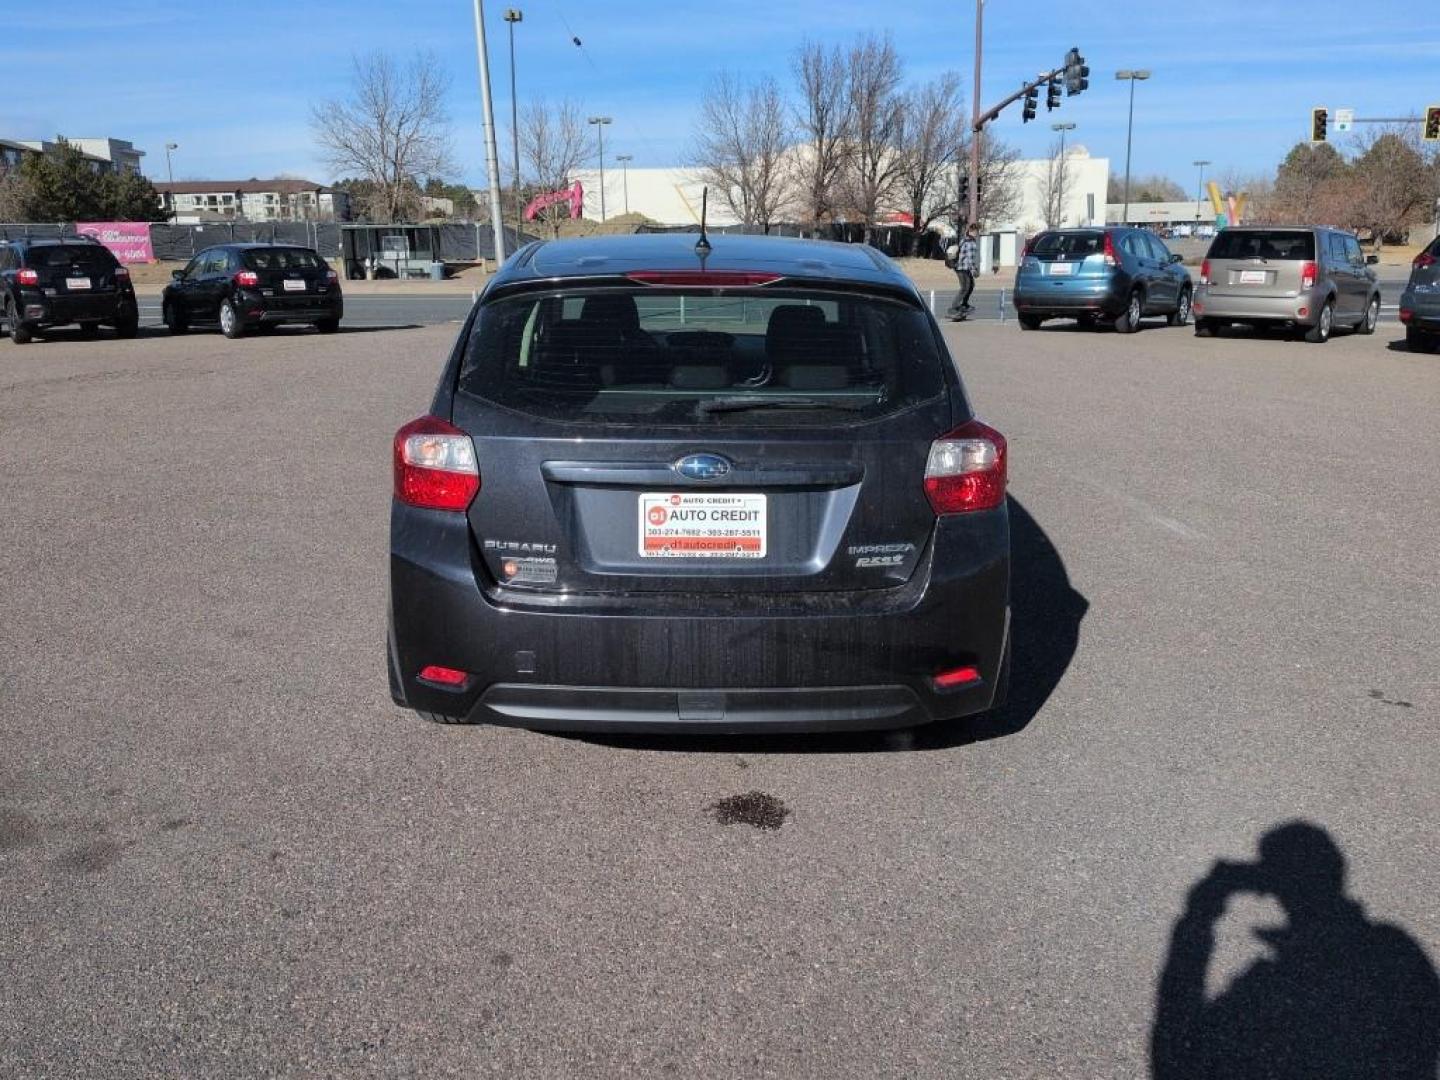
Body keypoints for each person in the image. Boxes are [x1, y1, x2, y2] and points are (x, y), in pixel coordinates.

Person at [1151, 822, 1440, 1079]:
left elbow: (1175, 1057)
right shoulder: (1394, 947)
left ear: (1271, 885)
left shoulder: (1269, 990)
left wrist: (1200, 914)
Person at [946, 225, 979, 321]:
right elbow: (970, 259)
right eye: (975, 232)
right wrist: (974, 270)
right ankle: (955, 307)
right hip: (963, 268)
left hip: (960, 267)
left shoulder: (964, 240)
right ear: (972, 232)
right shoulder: (971, 244)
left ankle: (963, 304)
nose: (976, 234)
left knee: (971, 286)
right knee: (964, 288)